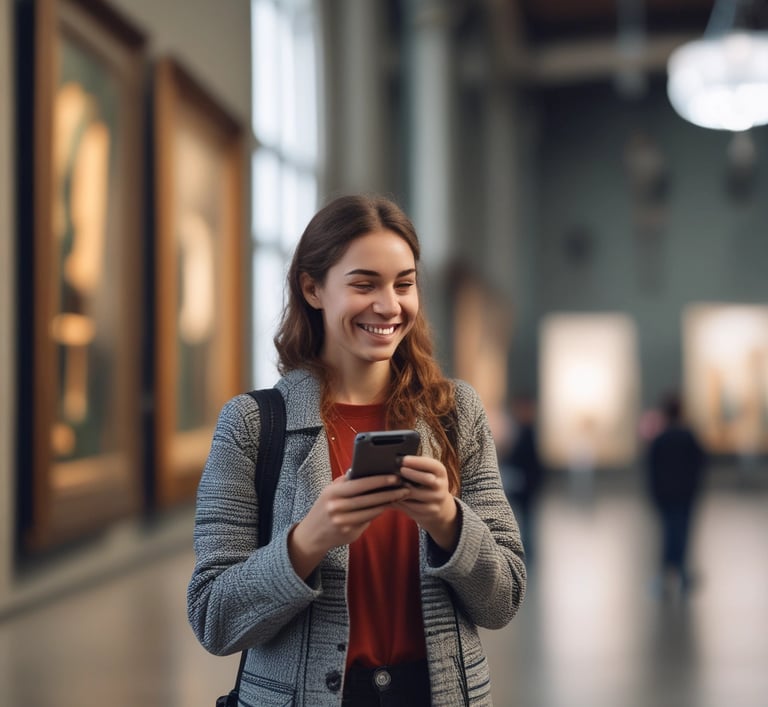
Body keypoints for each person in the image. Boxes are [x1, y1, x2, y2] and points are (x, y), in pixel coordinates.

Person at [187, 194, 526, 706]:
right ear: (313, 288)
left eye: (404, 284)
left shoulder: (457, 413)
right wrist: (308, 541)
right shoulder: (252, 425)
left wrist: (448, 521)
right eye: (364, 284)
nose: (389, 306)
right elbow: (215, 619)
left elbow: (503, 600)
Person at [645, 391, 707, 596]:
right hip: (683, 495)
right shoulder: (688, 437)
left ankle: (671, 573)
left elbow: (652, 470)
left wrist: (656, 494)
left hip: (669, 496)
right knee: (680, 533)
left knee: (670, 533)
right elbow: (699, 465)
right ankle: (676, 572)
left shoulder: (661, 440)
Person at [498, 394, 544, 567]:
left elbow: (531, 462)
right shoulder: (522, 431)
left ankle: (527, 549)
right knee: (523, 518)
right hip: (523, 483)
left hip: (526, 484)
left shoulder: (527, 432)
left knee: (527, 519)